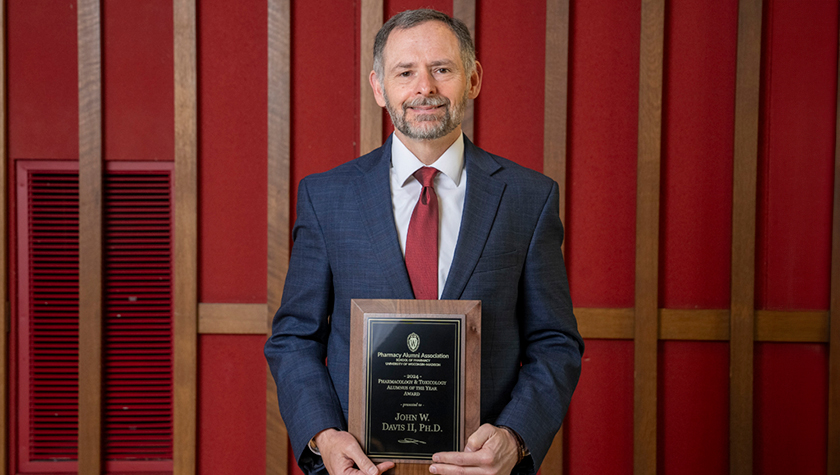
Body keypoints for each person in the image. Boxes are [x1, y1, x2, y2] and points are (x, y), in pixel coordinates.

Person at [265, 8, 583, 475]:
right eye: (405, 72)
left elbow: (554, 341)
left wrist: (515, 439)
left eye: (442, 69)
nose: (425, 88)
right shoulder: (326, 196)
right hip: (362, 469)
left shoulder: (528, 198)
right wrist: (323, 437)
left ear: (472, 79)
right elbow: (295, 336)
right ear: (379, 87)